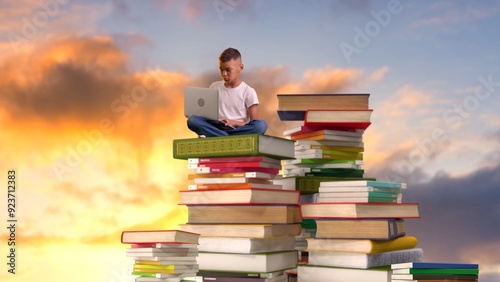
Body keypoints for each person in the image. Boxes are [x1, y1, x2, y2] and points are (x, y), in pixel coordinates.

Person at [187, 48, 268, 137]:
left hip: (237, 129)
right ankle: (225, 137)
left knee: (261, 125)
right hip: (217, 127)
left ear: (240, 68)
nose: (224, 74)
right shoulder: (214, 86)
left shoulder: (248, 92)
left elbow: (254, 122)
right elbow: (206, 113)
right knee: (192, 120)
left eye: (228, 70)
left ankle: (218, 136)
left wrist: (232, 122)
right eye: (221, 70)